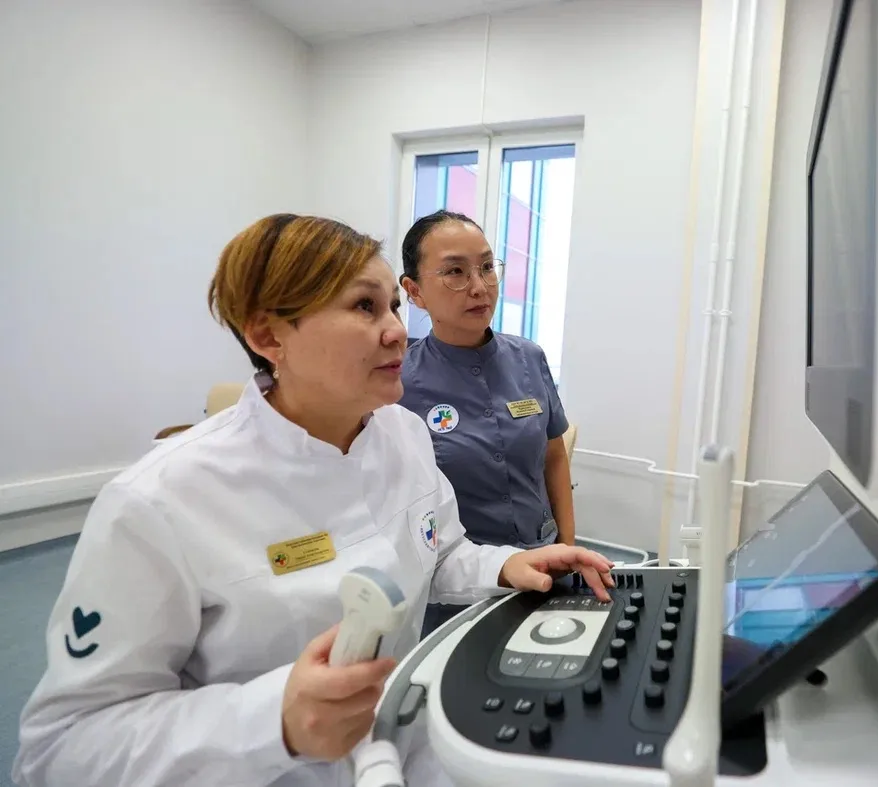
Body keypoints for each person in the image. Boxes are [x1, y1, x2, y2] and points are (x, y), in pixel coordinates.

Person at [12, 214, 614, 787]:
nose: (397, 330)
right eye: (364, 307)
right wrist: (273, 721)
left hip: (407, 748)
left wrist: (505, 564)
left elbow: (441, 551)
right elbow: (61, 747)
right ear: (269, 335)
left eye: (393, 306)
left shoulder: (403, 434)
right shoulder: (159, 501)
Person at [397, 210, 577, 635]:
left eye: (486, 267)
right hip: (460, 589)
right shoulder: (398, 380)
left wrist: (567, 548)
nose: (479, 287)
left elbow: (554, 457)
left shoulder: (528, 358)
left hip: (545, 565)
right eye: (455, 272)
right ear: (414, 291)